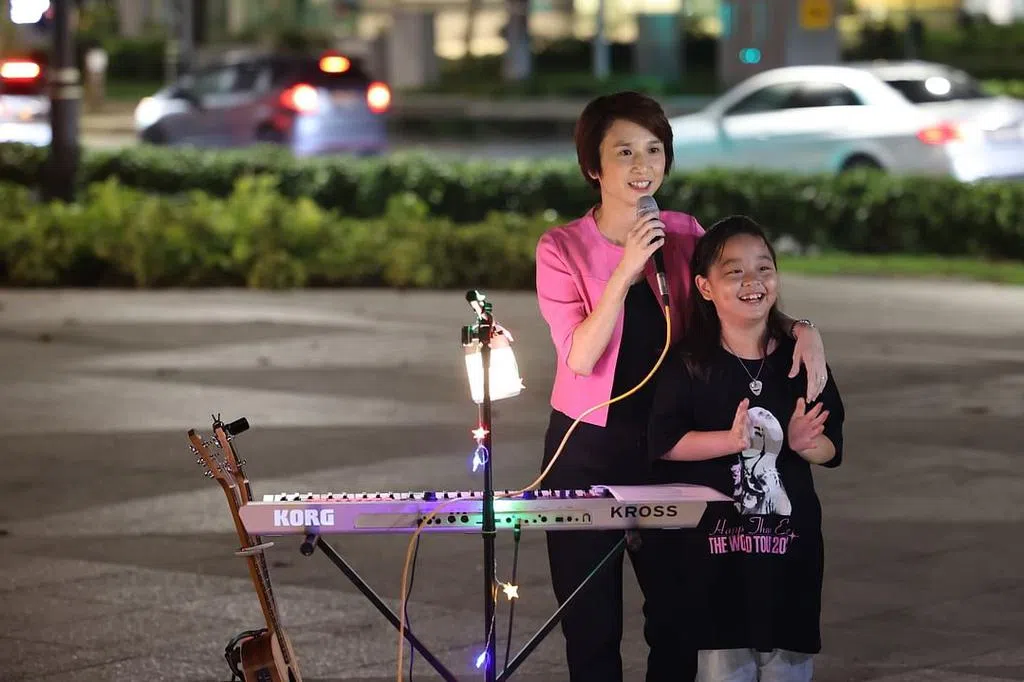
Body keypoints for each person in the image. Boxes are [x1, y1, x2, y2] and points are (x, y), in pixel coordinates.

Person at [534, 91, 831, 682]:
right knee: (591, 627)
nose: (642, 165)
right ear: (594, 166)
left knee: (678, 621)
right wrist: (625, 268)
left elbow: (741, 297)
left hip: (672, 446)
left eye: (654, 149)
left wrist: (802, 328)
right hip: (586, 449)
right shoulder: (561, 248)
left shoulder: (686, 233)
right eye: (624, 151)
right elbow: (581, 356)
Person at [646, 215, 846, 682]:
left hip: (789, 556)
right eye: (734, 271)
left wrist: (804, 444)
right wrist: (731, 441)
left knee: (788, 668)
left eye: (764, 268)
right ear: (705, 287)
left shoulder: (800, 360)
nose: (752, 281)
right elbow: (666, 443)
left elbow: (832, 446)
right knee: (722, 668)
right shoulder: (690, 363)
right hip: (714, 561)